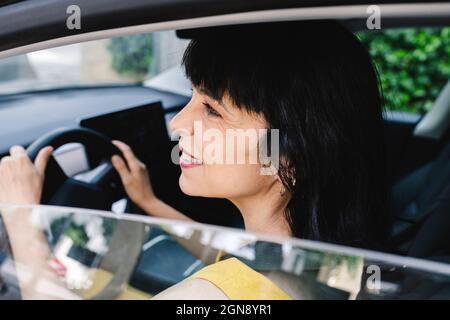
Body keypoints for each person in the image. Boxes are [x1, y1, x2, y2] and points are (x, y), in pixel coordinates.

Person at [0, 20, 388, 299]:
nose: (178, 124)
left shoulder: (216, 294)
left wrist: (20, 217)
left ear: (290, 158)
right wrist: (150, 202)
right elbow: (226, 253)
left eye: (212, 110)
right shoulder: (315, 260)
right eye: (190, 98)